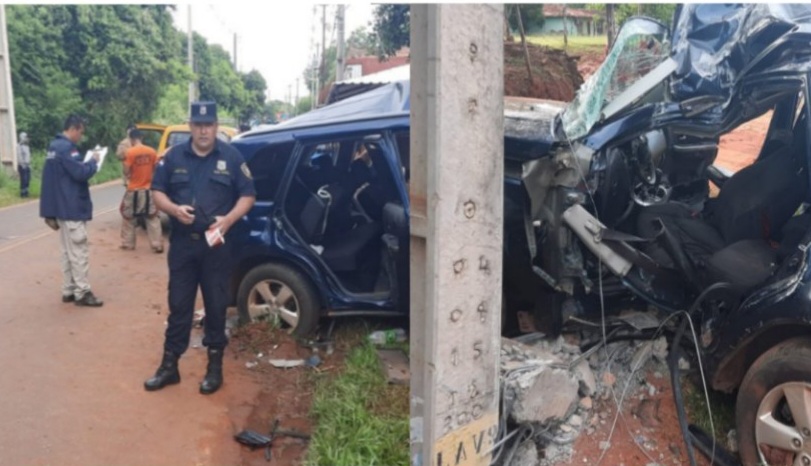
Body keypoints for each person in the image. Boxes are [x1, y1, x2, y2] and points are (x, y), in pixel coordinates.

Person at [145, 101, 255, 395]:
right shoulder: (172, 156)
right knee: (179, 305)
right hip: (182, 246)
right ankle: (170, 367)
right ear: (190, 126)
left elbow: (248, 196)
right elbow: (157, 192)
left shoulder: (232, 157)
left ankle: (214, 368)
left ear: (216, 126)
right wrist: (173, 209)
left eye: (208, 125)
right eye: (198, 125)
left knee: (216, 307)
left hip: (216, 247)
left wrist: (229, 220)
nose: (203, 130)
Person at [39, 114, 104, 307]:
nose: (81, 137)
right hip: (71, 206)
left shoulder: (53, 147)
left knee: (67, 251)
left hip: (60, 208)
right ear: (74, 129)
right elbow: (80, 173)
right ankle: (82, 292)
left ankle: (68, 289)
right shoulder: (67, 149)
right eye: (81, 132)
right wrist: (93, 162)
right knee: (78, 250)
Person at [120, 129, 163, 252]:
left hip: (133, 190)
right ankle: (157, 245)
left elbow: (126, 172)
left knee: (128, 218)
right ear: (141, 138)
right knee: (153, 217)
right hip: (149, 190)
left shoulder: (129, 152)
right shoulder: (152, 151)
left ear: (131, 139)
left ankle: (128, 244)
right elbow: (156, 169)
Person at [17, 132, 31, 198]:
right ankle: (23, 193)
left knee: (28, 179)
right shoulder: (19, 146)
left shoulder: (27, 146)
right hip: (22, 165)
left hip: (27, 165)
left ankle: (26, 192)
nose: (27, 139)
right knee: (24, 179)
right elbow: (19, 156)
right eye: (26, 137)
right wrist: (22, 164)